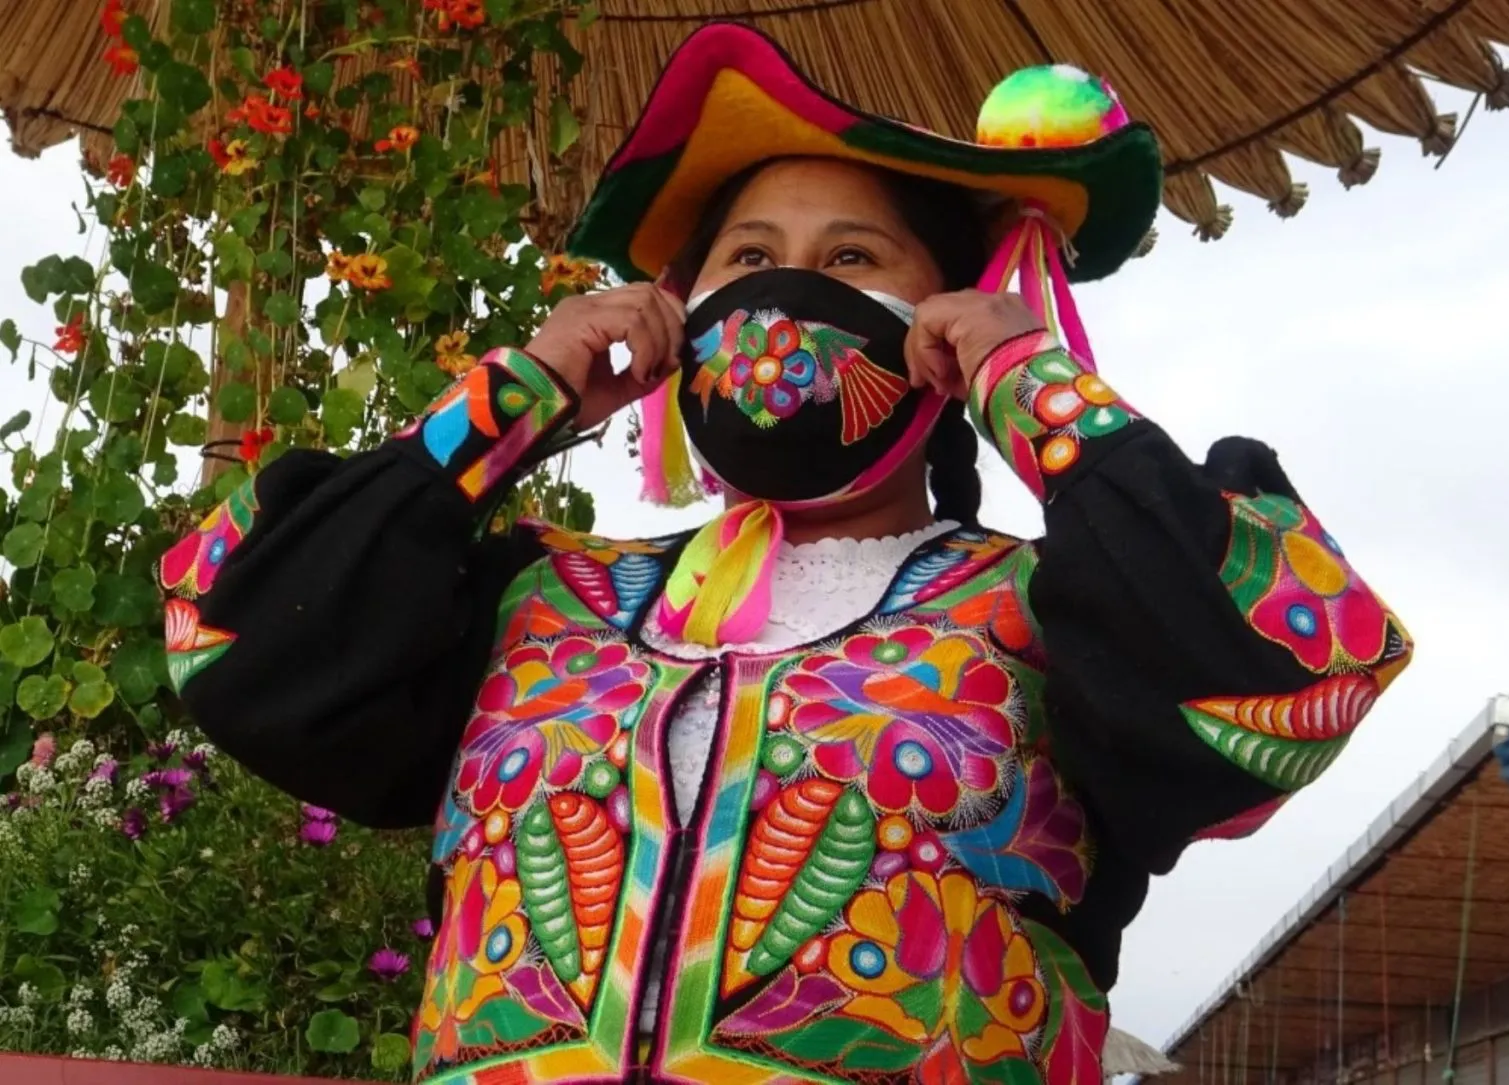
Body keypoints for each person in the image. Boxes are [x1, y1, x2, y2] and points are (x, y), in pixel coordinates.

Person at [159, 23, 1412, 1085]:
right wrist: (519, 395)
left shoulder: (1040, 607)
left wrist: (1034, 386)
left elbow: (1299, 669)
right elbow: (231, 631)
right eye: (747, 259)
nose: (782, 297)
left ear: (943, 315)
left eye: (851, 258)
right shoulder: (538, 599)